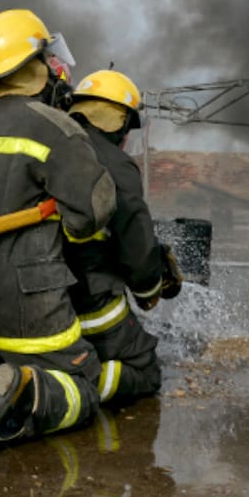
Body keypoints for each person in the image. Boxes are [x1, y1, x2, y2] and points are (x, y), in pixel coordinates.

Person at [0, 8, 116, 457]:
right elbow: (92, 212)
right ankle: (25, 390)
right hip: (26, 307)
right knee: (83, 384)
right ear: (37, 64)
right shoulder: (58, 127)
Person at [64, 69, 181, 405]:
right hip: (85, 302)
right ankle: (76, 388)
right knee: (146, 370)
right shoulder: (115, 164)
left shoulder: (53, 144)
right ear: (119, 123)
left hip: (28, 296)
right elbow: (136, 248)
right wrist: (151, 284)